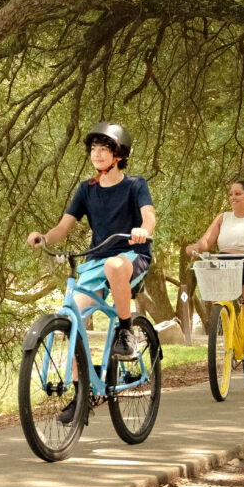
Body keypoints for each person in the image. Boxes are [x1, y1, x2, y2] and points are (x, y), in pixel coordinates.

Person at [28, 122, 154, 359]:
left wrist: (142, 230)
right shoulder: (86, 189)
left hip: (131, 255)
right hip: (97, 260)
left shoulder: (136, 185)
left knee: (114, 265)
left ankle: (126, 332)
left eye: (103, 149)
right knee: (72, 317)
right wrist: (44, 237)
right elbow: (63, 228)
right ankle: (80, 389)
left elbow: (149, 216)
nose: (96, 153)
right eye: (93, 148)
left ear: (118, 155)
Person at [186, 178, 244, 386]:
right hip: (226, 266)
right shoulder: (223, 218)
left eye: (238, 193)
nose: (232, 197)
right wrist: (196, 246)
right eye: (231, 194)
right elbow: (206, 241)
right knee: (220, 302)